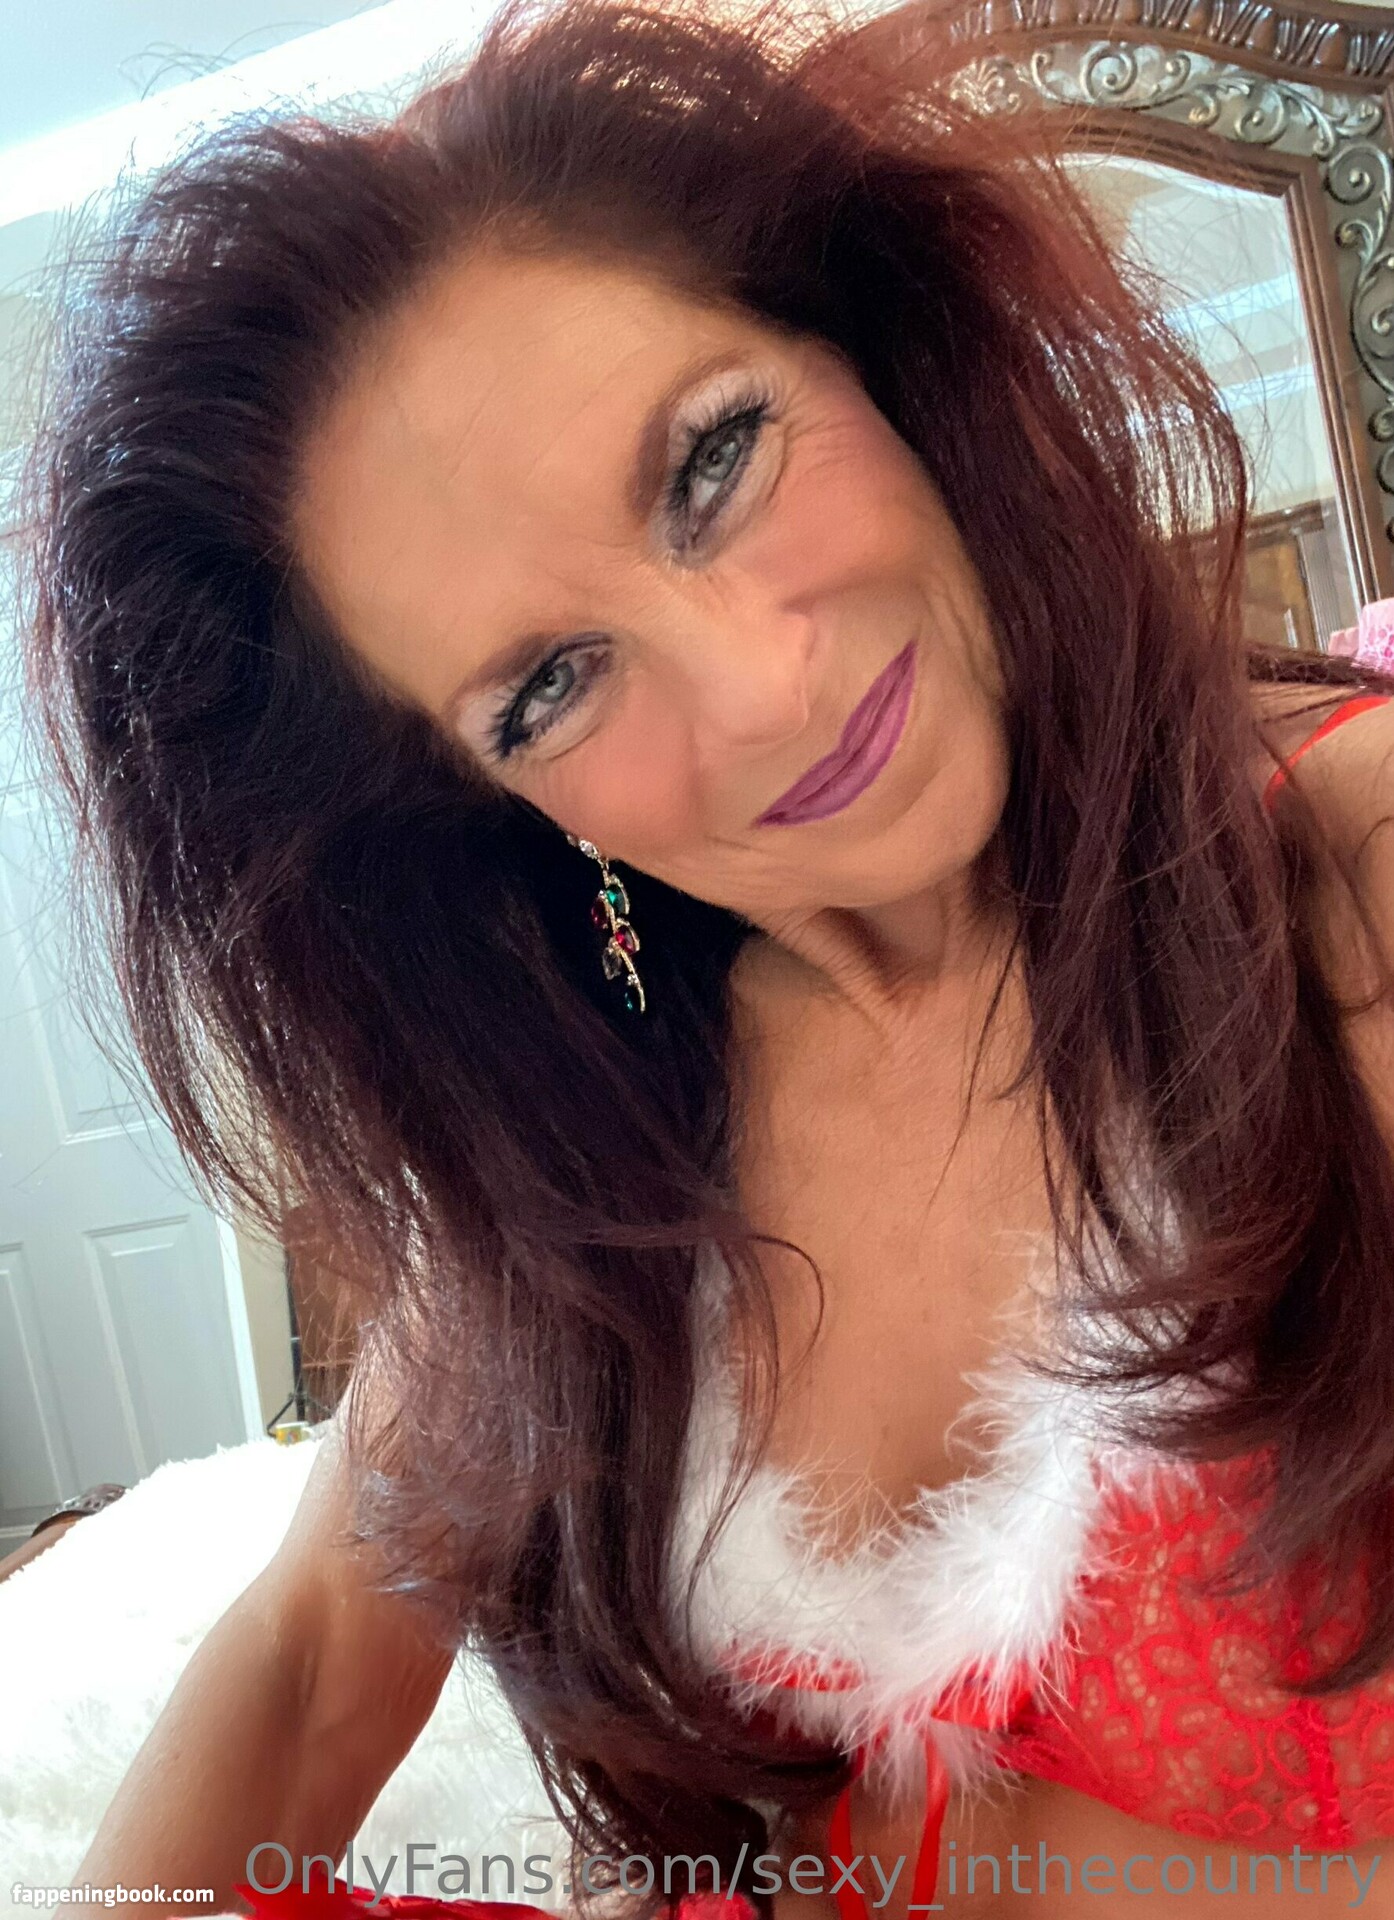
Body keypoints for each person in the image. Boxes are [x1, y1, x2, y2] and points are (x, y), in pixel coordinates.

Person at [17, 0, 1394, 1914]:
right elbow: (314, 1653)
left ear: (873, 354)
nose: (761, 691)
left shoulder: (1351, 871)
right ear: (486, 806)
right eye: (549, 684)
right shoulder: (604, 1125)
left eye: (714, 459)